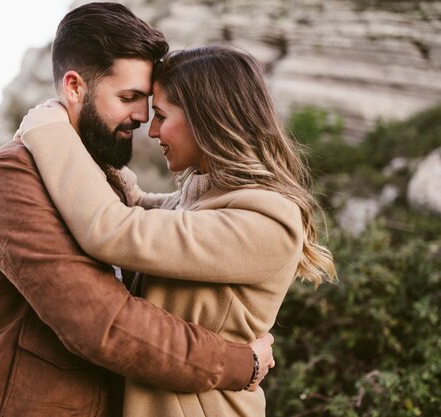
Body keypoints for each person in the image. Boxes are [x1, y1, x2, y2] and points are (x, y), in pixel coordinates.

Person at [0, 4, 275, 417]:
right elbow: (100, 322)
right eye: (128, 98)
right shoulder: (13, 175)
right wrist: (236, 363)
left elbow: (163, 224)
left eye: (146, 101)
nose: (142, 118)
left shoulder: (95, 174)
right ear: (74, 87)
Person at [18, 44, 338, 417]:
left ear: (207, 119)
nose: (151, 131)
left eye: (162, 116)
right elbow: (134, 203)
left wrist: (51, 132)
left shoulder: (266, 221)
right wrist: (95, 130)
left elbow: (112, 228)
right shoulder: (199, 202)